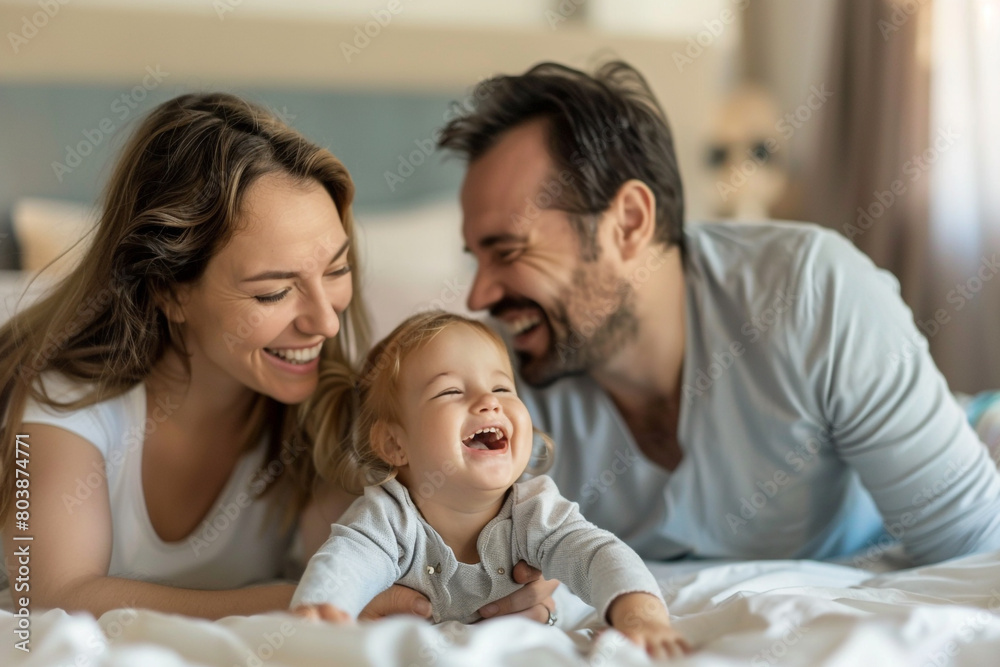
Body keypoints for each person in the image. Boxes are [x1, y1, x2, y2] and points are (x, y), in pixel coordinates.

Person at [0, 93, 554, 621]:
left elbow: (401, 564)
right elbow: (52, 595)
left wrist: (510, 575)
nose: (326, 322)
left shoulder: (323, 410)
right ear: (168, 290)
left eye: (335, 271)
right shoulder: (64, 397)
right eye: (273, 292)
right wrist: (301, 602)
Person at [436, 61, 1000, 565]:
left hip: (969, 438)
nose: (479, 296)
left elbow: (972, 549)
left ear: (629, 223)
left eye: (507, 251)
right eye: (475, 259)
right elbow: (426, 549)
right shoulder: (492, 386)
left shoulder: (809, 290)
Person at [291, 311, 690, 659]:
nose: (489, 402)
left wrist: (640, 614)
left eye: (502, 388)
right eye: (451, 391)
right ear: (396, 443)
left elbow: (597, 556)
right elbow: (346, 562)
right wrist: (322, 611)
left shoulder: (534, 510)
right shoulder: (387, 517)